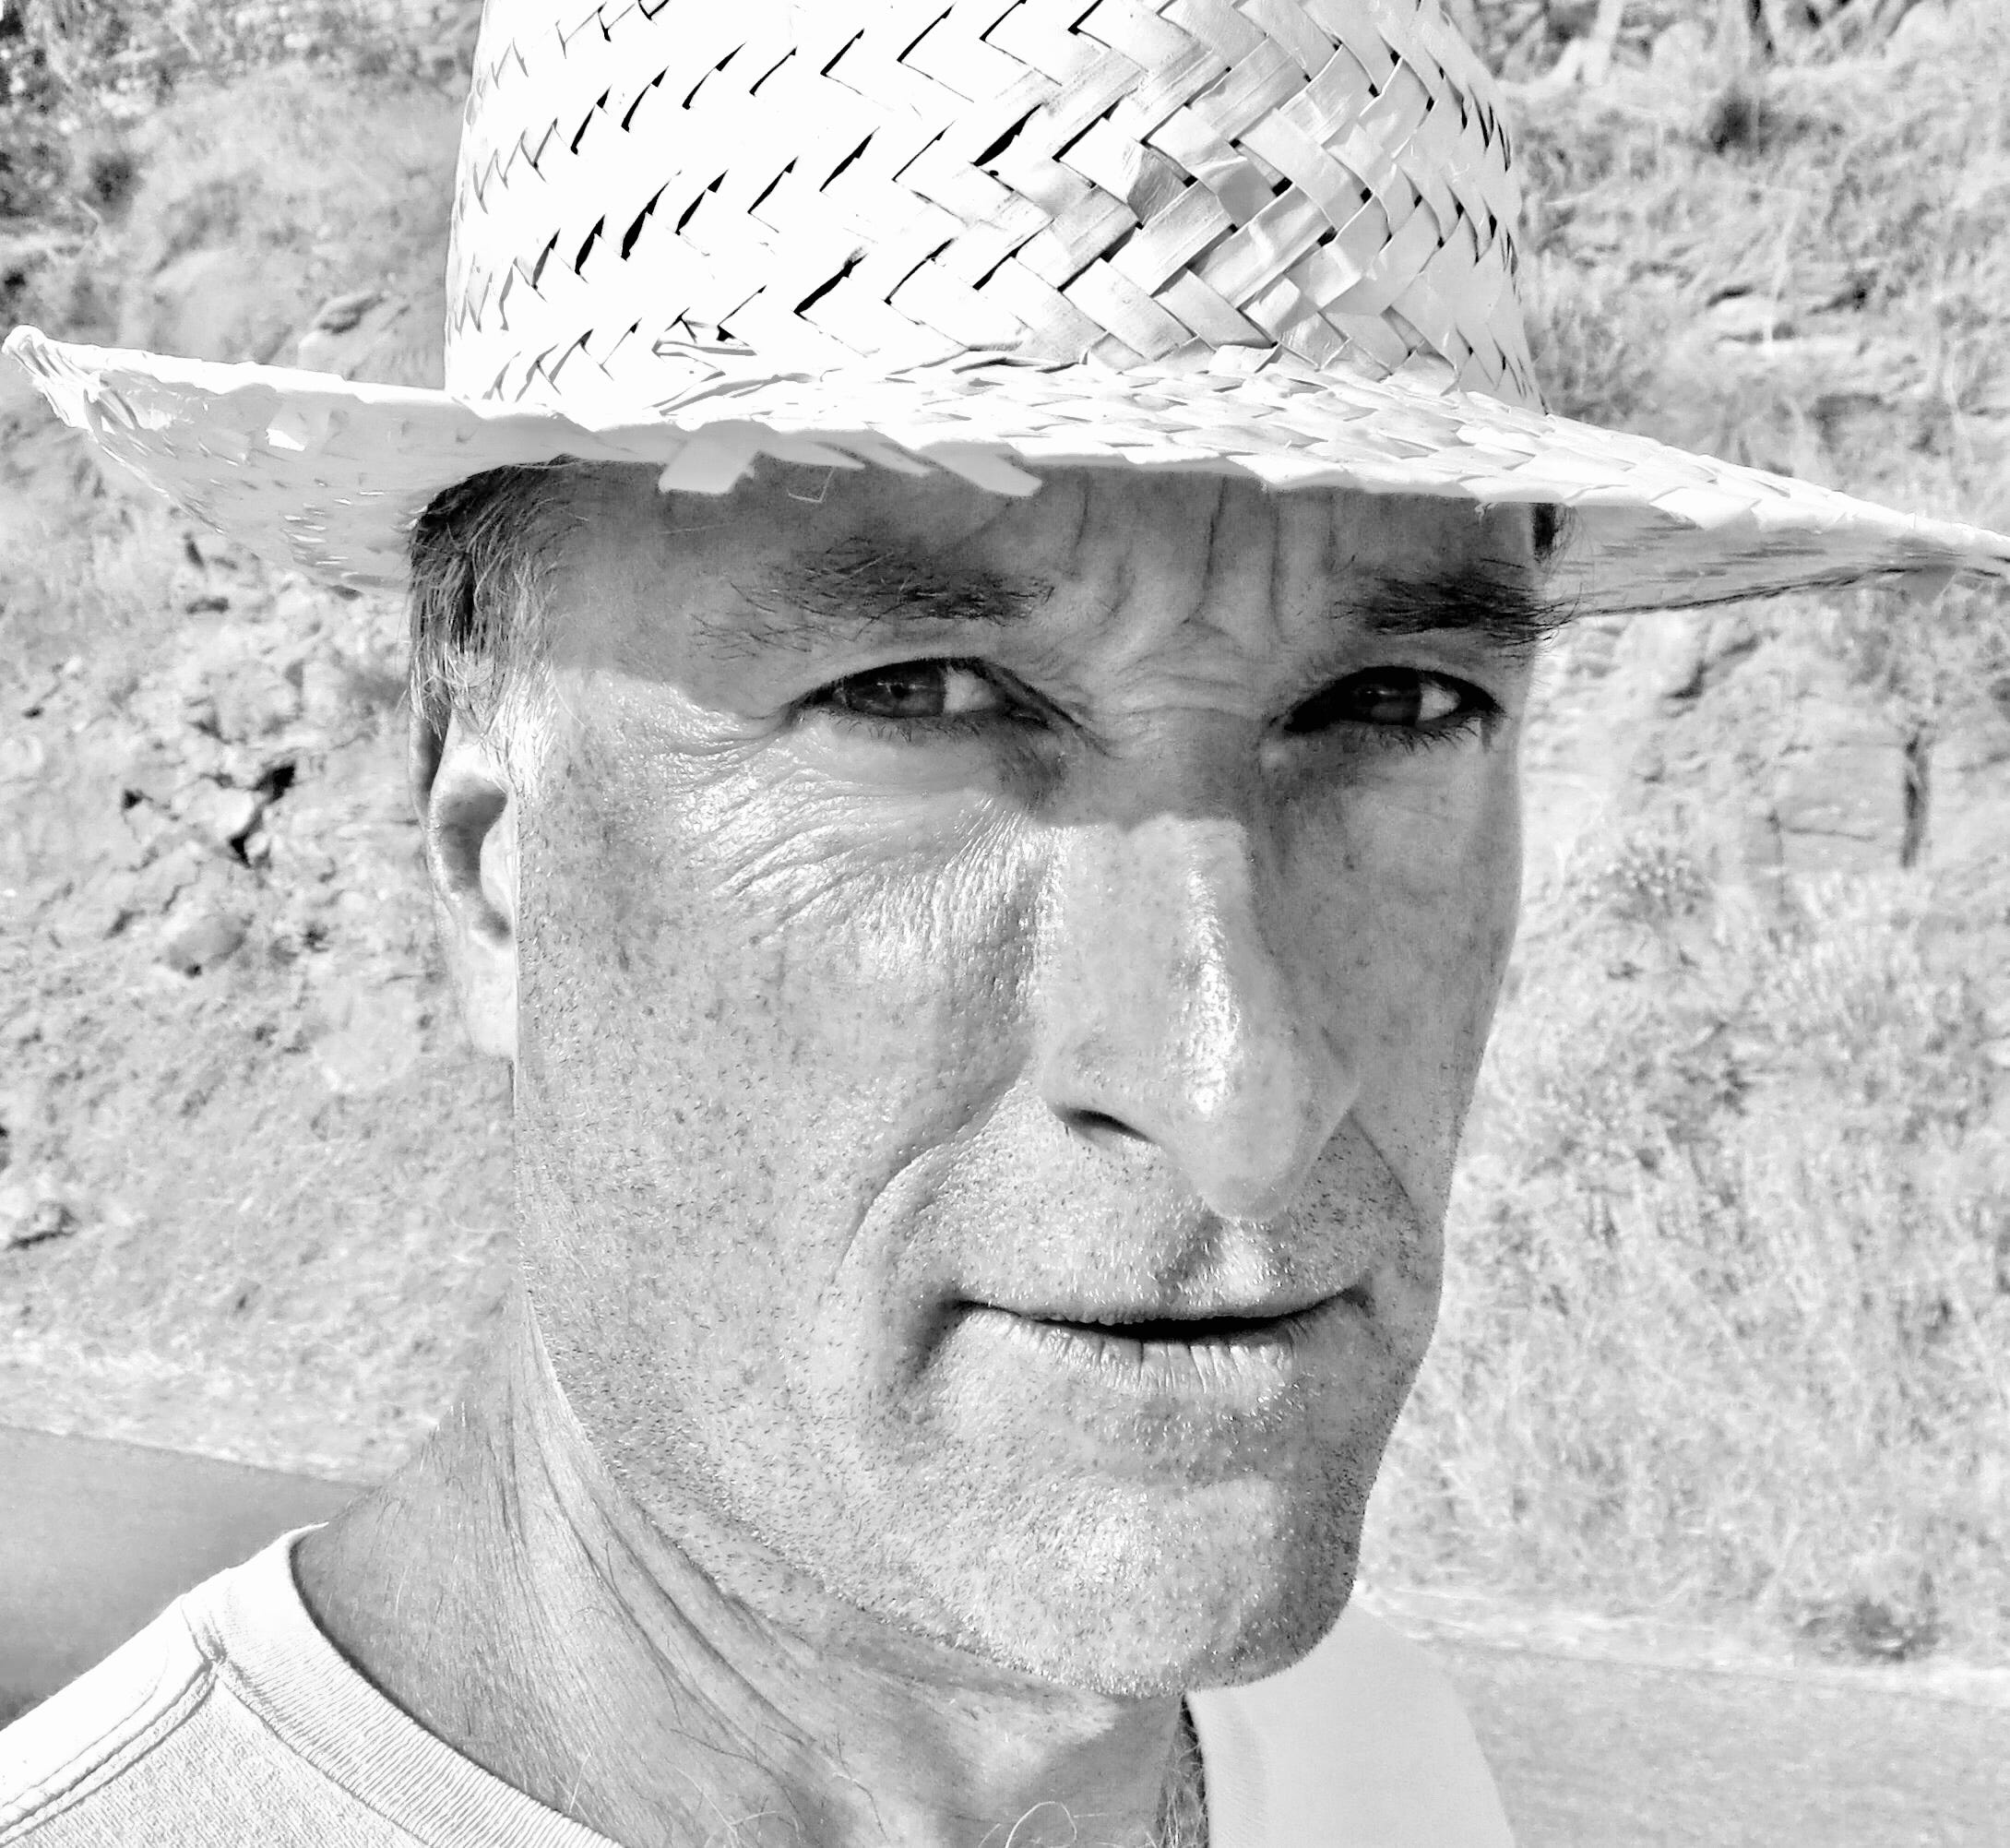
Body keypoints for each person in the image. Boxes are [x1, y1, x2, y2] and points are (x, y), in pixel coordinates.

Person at [2, 2, 2004, 1843]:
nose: (1240, 1093)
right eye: (922, 699)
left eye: (1393, 706)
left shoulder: (1363, 1762)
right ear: (490, 861)